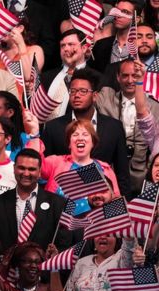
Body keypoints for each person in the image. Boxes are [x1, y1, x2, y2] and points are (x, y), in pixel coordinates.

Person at [38, 68, 129, 202]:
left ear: (95, 96)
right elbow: (43, 172)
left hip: (100, 203)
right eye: (73, 91)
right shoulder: (53, 127)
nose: (77, 95)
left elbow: (122, 174)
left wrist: (125, 207)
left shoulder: (113, 127)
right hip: (62, 202)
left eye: (83, 91)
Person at [0, 148, 73, 253]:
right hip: (5, 267)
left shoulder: (58, 204)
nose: (26, 173)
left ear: (40, 172)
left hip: (42, 267)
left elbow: (64, 244)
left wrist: (55, 256)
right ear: (14, 168)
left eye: (31, 169)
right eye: (21, 168)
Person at [95, 58, 159, 194]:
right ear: (118, 77)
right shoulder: (106, 97)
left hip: (142, 177)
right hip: (110, 177)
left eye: (134, 75)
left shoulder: (155, 107)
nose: (130, 80)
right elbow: (85, 93)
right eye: (125, 75)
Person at [39, 29, 93, 120]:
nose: (66, 49)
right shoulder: (45, 77)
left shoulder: (95, 78)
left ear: (83, 48)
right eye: (63, 46)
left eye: (71, 44)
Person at [90, 0, 139, 72]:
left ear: (136, 19)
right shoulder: (100, 45)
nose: (118, 15)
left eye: (125, 12)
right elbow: (91, 75)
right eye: (116, 11)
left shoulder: (142, 46)